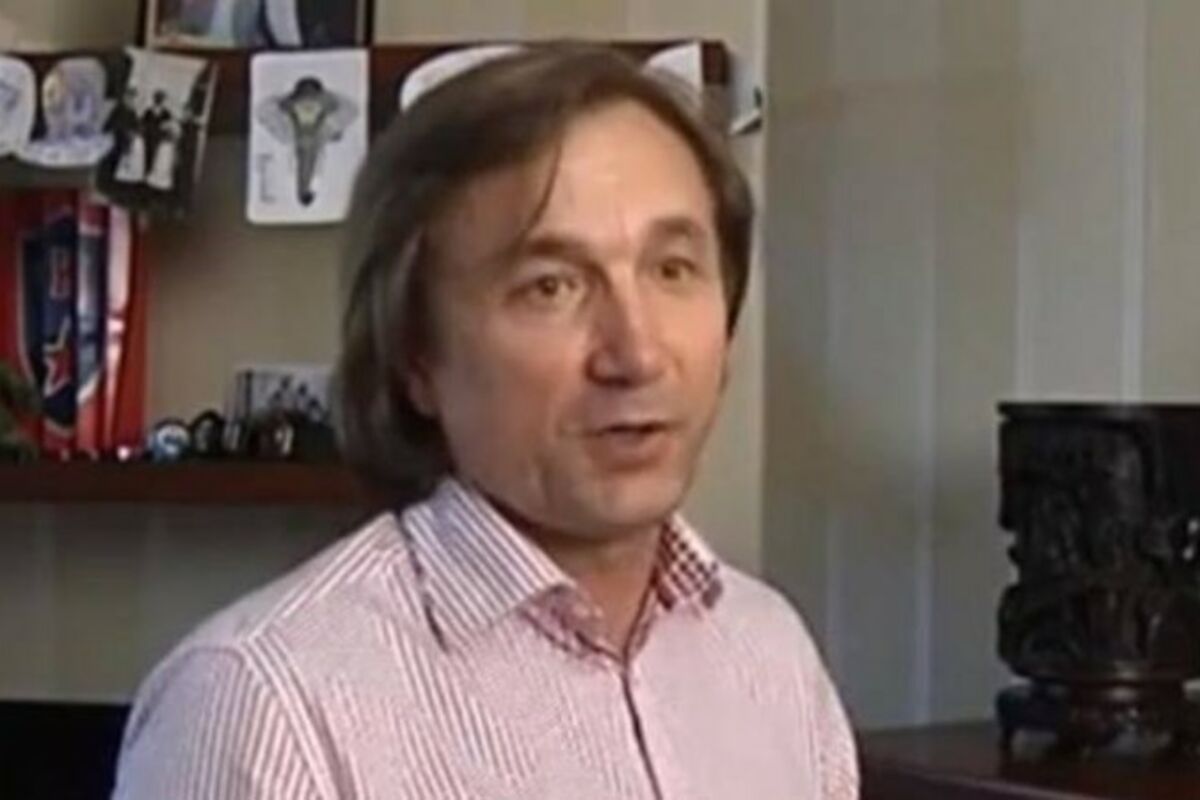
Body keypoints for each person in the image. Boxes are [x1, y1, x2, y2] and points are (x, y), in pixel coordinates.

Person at [111, 43, 858, 799]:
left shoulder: (771, 656)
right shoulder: (263, 706)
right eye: (551, 286)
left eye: (672, 270)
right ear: (416, 356)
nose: (637, 354)